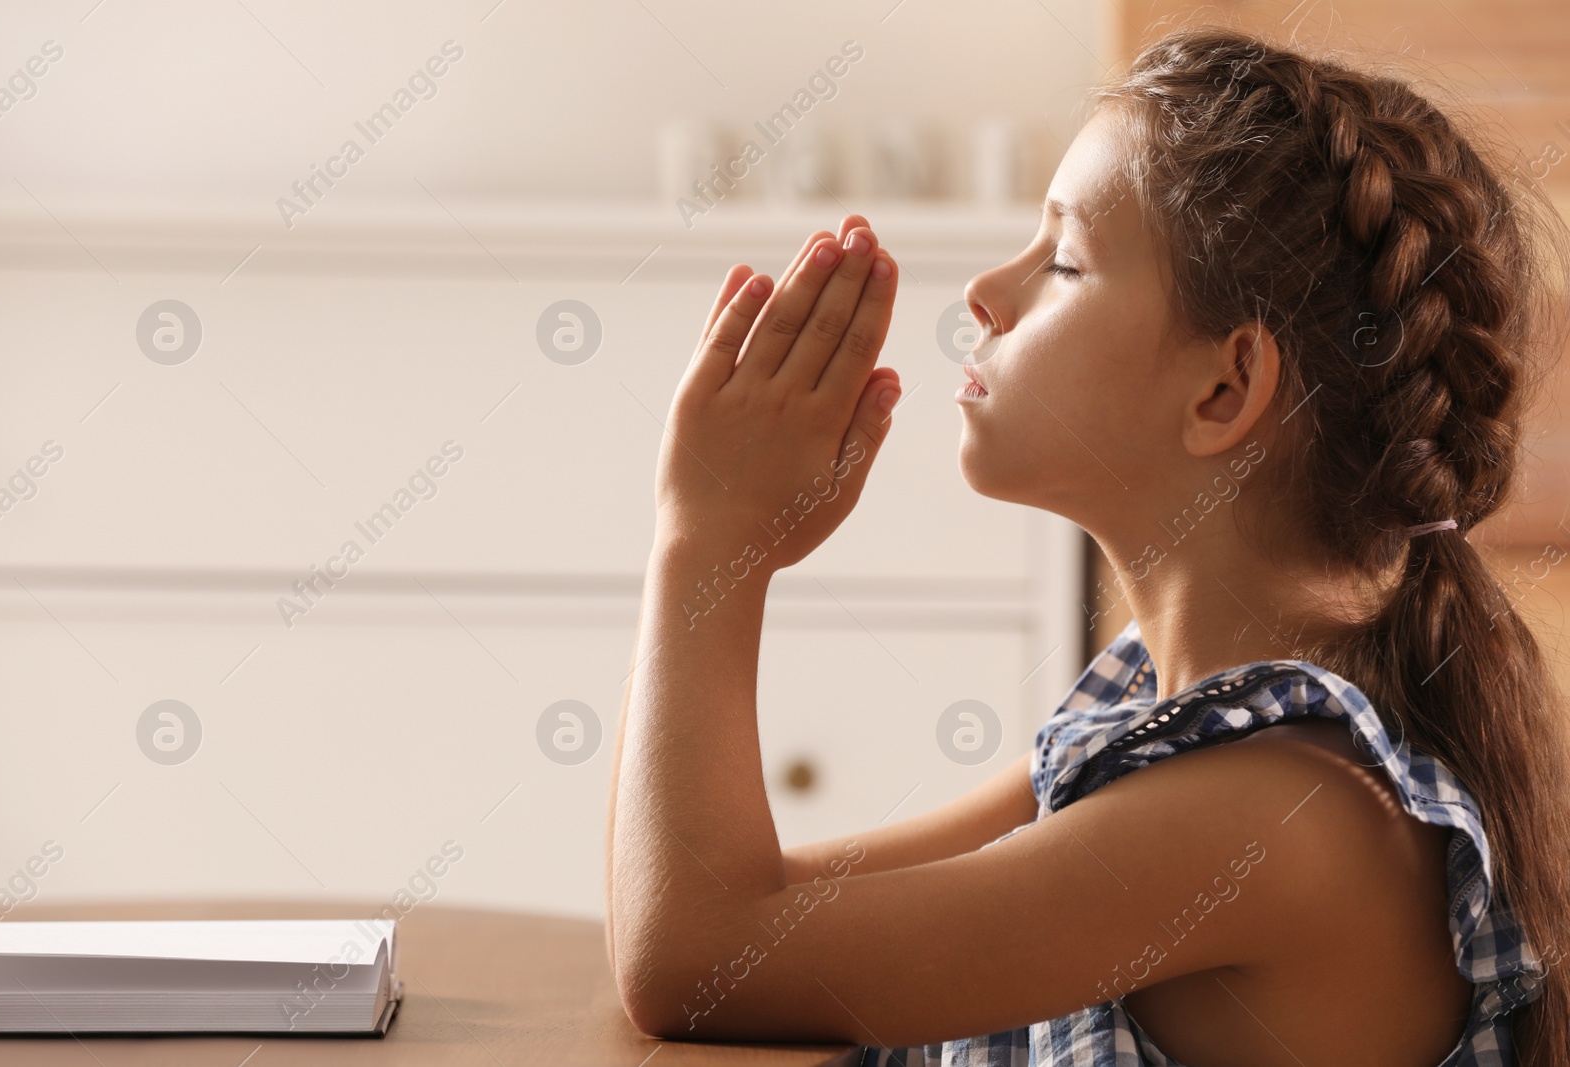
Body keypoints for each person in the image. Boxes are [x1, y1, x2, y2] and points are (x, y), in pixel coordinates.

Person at [604, 22, 1570, 1066]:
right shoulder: (1155, 725)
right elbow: (737, 907)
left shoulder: (1275, 819)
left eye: (1061, 259)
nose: (988, 290)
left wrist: (706, 546)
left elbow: (700, 956)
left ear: (1223, 388)